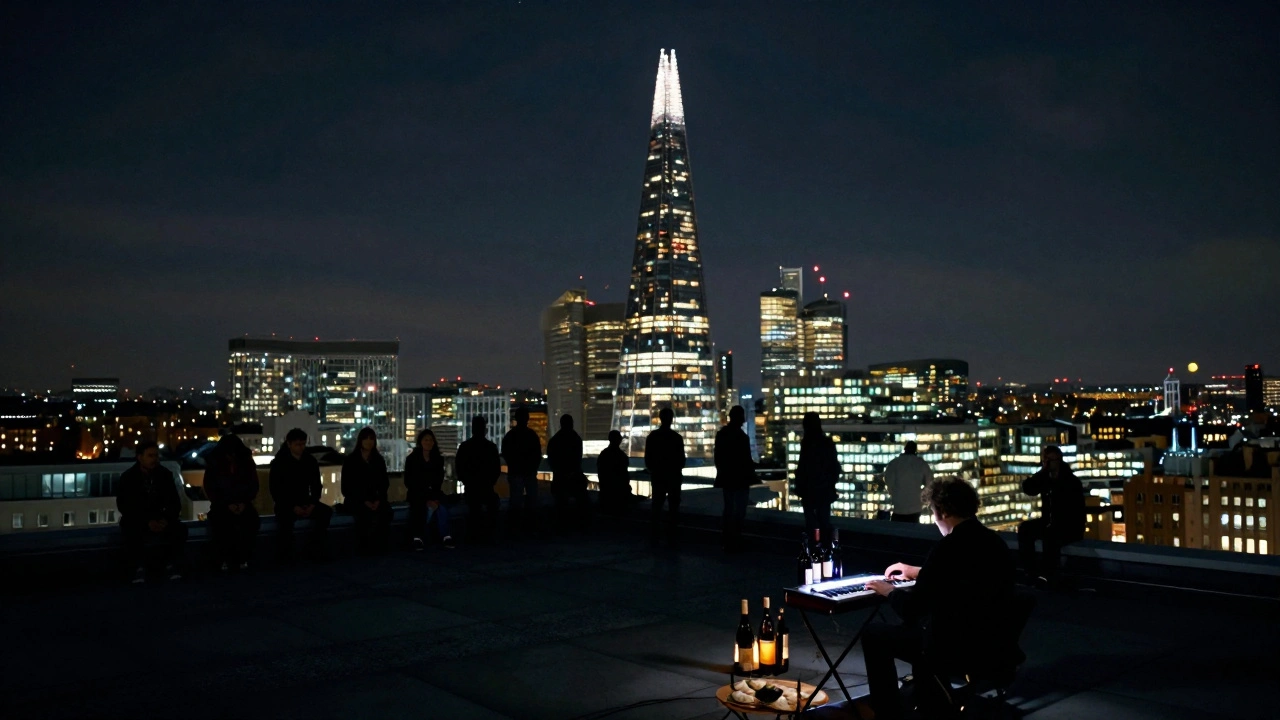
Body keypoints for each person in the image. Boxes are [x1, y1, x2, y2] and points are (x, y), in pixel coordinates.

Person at [861, 477, 1017, 719]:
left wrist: (888, 590)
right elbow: (966, 576)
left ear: (942, 511)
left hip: (954, 647)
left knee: (874, 634)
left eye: (933, 512)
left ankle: (887, 711)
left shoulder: (949, 547)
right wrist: (918, 571)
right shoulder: (993, 542)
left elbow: (913, 608)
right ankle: (929, 694)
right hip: (992, 642)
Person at [116, 441, 187, 583]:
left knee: (179, 529)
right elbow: (125, 506)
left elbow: (174, 503)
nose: (155, 459)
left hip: (161, 519)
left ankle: (170, 565)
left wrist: (165, 519)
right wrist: (147, 521)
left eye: (156, 455)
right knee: (131, 530)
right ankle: (138, 567)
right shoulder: (128, 478)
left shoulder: (164, 475)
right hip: (139, 520)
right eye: (150, 455)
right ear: (139, 457)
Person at [1018, 445, 1085, 586]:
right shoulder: (1045, 479)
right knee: (1025, 529)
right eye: (1045, 460)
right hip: (1048, 522)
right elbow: (1029, 488)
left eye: (1050, 461)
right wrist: (1042, 472)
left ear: (1059, 460)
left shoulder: (1071, 482)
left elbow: (1075, 512)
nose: (1047, 464)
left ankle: (1049, 575)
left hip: (1069, 526)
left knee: (1051, 536)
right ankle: (1030, 571)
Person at [269, 428, 333, 562]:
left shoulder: (309, 461)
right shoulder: (279, 463)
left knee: (326, 513)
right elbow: (276, 490)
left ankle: (316, 549)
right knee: (285, 522)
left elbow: (316, 485)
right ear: (289, 444)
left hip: (305, 501)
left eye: (303, 444)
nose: (301, 447)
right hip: (285, 504)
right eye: (297, 444)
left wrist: (312, 504)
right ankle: (286, 555)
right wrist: (292, 506)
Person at [204, 434, 261, 571]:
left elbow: (253, 485)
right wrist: (228, 504)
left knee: (250, 522)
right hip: (222, 506)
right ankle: (230, 558)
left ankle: (239, 558)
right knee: (222, 525)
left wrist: (243, 503)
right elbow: (211, 488)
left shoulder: (245, 463)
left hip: (240, 504)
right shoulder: (215, 464)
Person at [341, 427, 392, 554]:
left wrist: (379, 500)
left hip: (375, 499)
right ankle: (365, 547)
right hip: (356, 500)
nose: (369, 441)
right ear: (360, 440)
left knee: (387, 512)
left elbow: (384, 483)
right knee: (364, 514)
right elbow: (346, 487)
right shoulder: (350, 461)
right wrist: (364, 501)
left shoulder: (378, 460)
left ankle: (381, 546)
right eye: (366, 438)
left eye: (372, 439)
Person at [404, 429, 454, 550]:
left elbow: (438, 481)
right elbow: (410, 482)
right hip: (417, 494)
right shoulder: (412, 459)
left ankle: (446, 536)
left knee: (441, 506)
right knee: (420, 506)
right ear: (420, 442)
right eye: (426, 440)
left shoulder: (437, 459)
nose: (428, 442)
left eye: (431, 440)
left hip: (434, 493)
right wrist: (427, 499)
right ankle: (418, 537)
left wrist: (434, 498)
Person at [714, 405, 755, 552]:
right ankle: (736, 539)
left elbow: (718, 457)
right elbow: (746, 461)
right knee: (739, 510)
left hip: (728, 478)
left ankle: (727, 540)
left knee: (729, 509)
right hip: (741, 479)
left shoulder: (722, 434)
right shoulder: (742, 437)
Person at [644, 407, 686, 548]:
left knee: (657, 506)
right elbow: (681, 460)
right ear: (672, 419)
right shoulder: (676, 438)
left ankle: (655, 536)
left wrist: (655, 469)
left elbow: (648, 459)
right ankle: (672, 536)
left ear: (660, 418)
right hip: (673, 477)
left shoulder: (653, 436)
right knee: (673, 507)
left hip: (658, 476)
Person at [456, 415, 501, 543]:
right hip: (487, 487)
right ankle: (488, 535)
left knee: (474, 511)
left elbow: (459, 468)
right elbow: (496, 469)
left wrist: (466, 481)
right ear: (485, 429)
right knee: (492, 508)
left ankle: (474, 536)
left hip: (471, 488)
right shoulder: (491, 447)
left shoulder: (465, 447)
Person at [794, 412, 838, 540]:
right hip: (824, 488)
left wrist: (800, 486)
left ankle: (815, 549)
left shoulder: (807, 443)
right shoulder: (827, 443)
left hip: (809, 489)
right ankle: (825, 549)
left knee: (811, 523)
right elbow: (834, 467)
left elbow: (803, 467)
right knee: (823, 520)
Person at [501, 406, 543, 533]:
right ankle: (531, 526)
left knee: (515, 501)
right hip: (529, 472)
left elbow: (506, 453)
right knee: (532, 500)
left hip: (515, 472)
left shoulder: (510, 436)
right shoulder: (532, 435)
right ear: (527, 419)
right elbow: (537, 454)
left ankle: (515, 527)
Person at [546, 414, 590, 532]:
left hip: (560, 478)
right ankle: (581, 525)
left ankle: (562, 525)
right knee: (581, 501)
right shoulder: (576, 439)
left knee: (561, 504)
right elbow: (577, 460)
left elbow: (552, 460)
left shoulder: (554, 440)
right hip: (574, 477)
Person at [884, 441, 933, 523]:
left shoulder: (894, 463)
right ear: (915, 450)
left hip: (898, 506)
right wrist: (921, 495)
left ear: (905, 449)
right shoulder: (921, 463)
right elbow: (930, 482)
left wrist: (895, 494)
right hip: (915, 506)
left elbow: (889, 482)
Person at [596, 430, 634, 515]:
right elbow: (624, 477)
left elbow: (601, 475)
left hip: (606, 494)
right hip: (619, 495)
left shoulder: (603, 454)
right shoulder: (622, 456)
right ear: (619, 440)